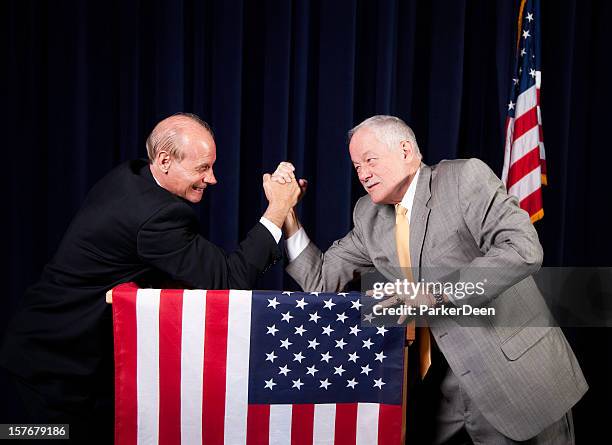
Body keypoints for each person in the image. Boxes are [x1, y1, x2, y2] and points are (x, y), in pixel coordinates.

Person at [271, 115, 587, 444]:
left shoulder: (464, 178)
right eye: (356, 166)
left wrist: (436, 294)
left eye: (370, 160)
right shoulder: (368, 215)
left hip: (514, 376)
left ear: (406, 150)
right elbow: (320, 281)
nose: (363, 174)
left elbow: (523, 250)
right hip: (434, 388)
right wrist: (287, 214)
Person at [0, 113, 300, 443]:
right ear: (164, 160)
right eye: (202, 168)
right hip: (54, 361)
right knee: (37, 437)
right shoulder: (155, 216)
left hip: (71, 357)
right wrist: (277, 209)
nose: (212, 179)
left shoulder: (134, 174)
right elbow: (228, 280)